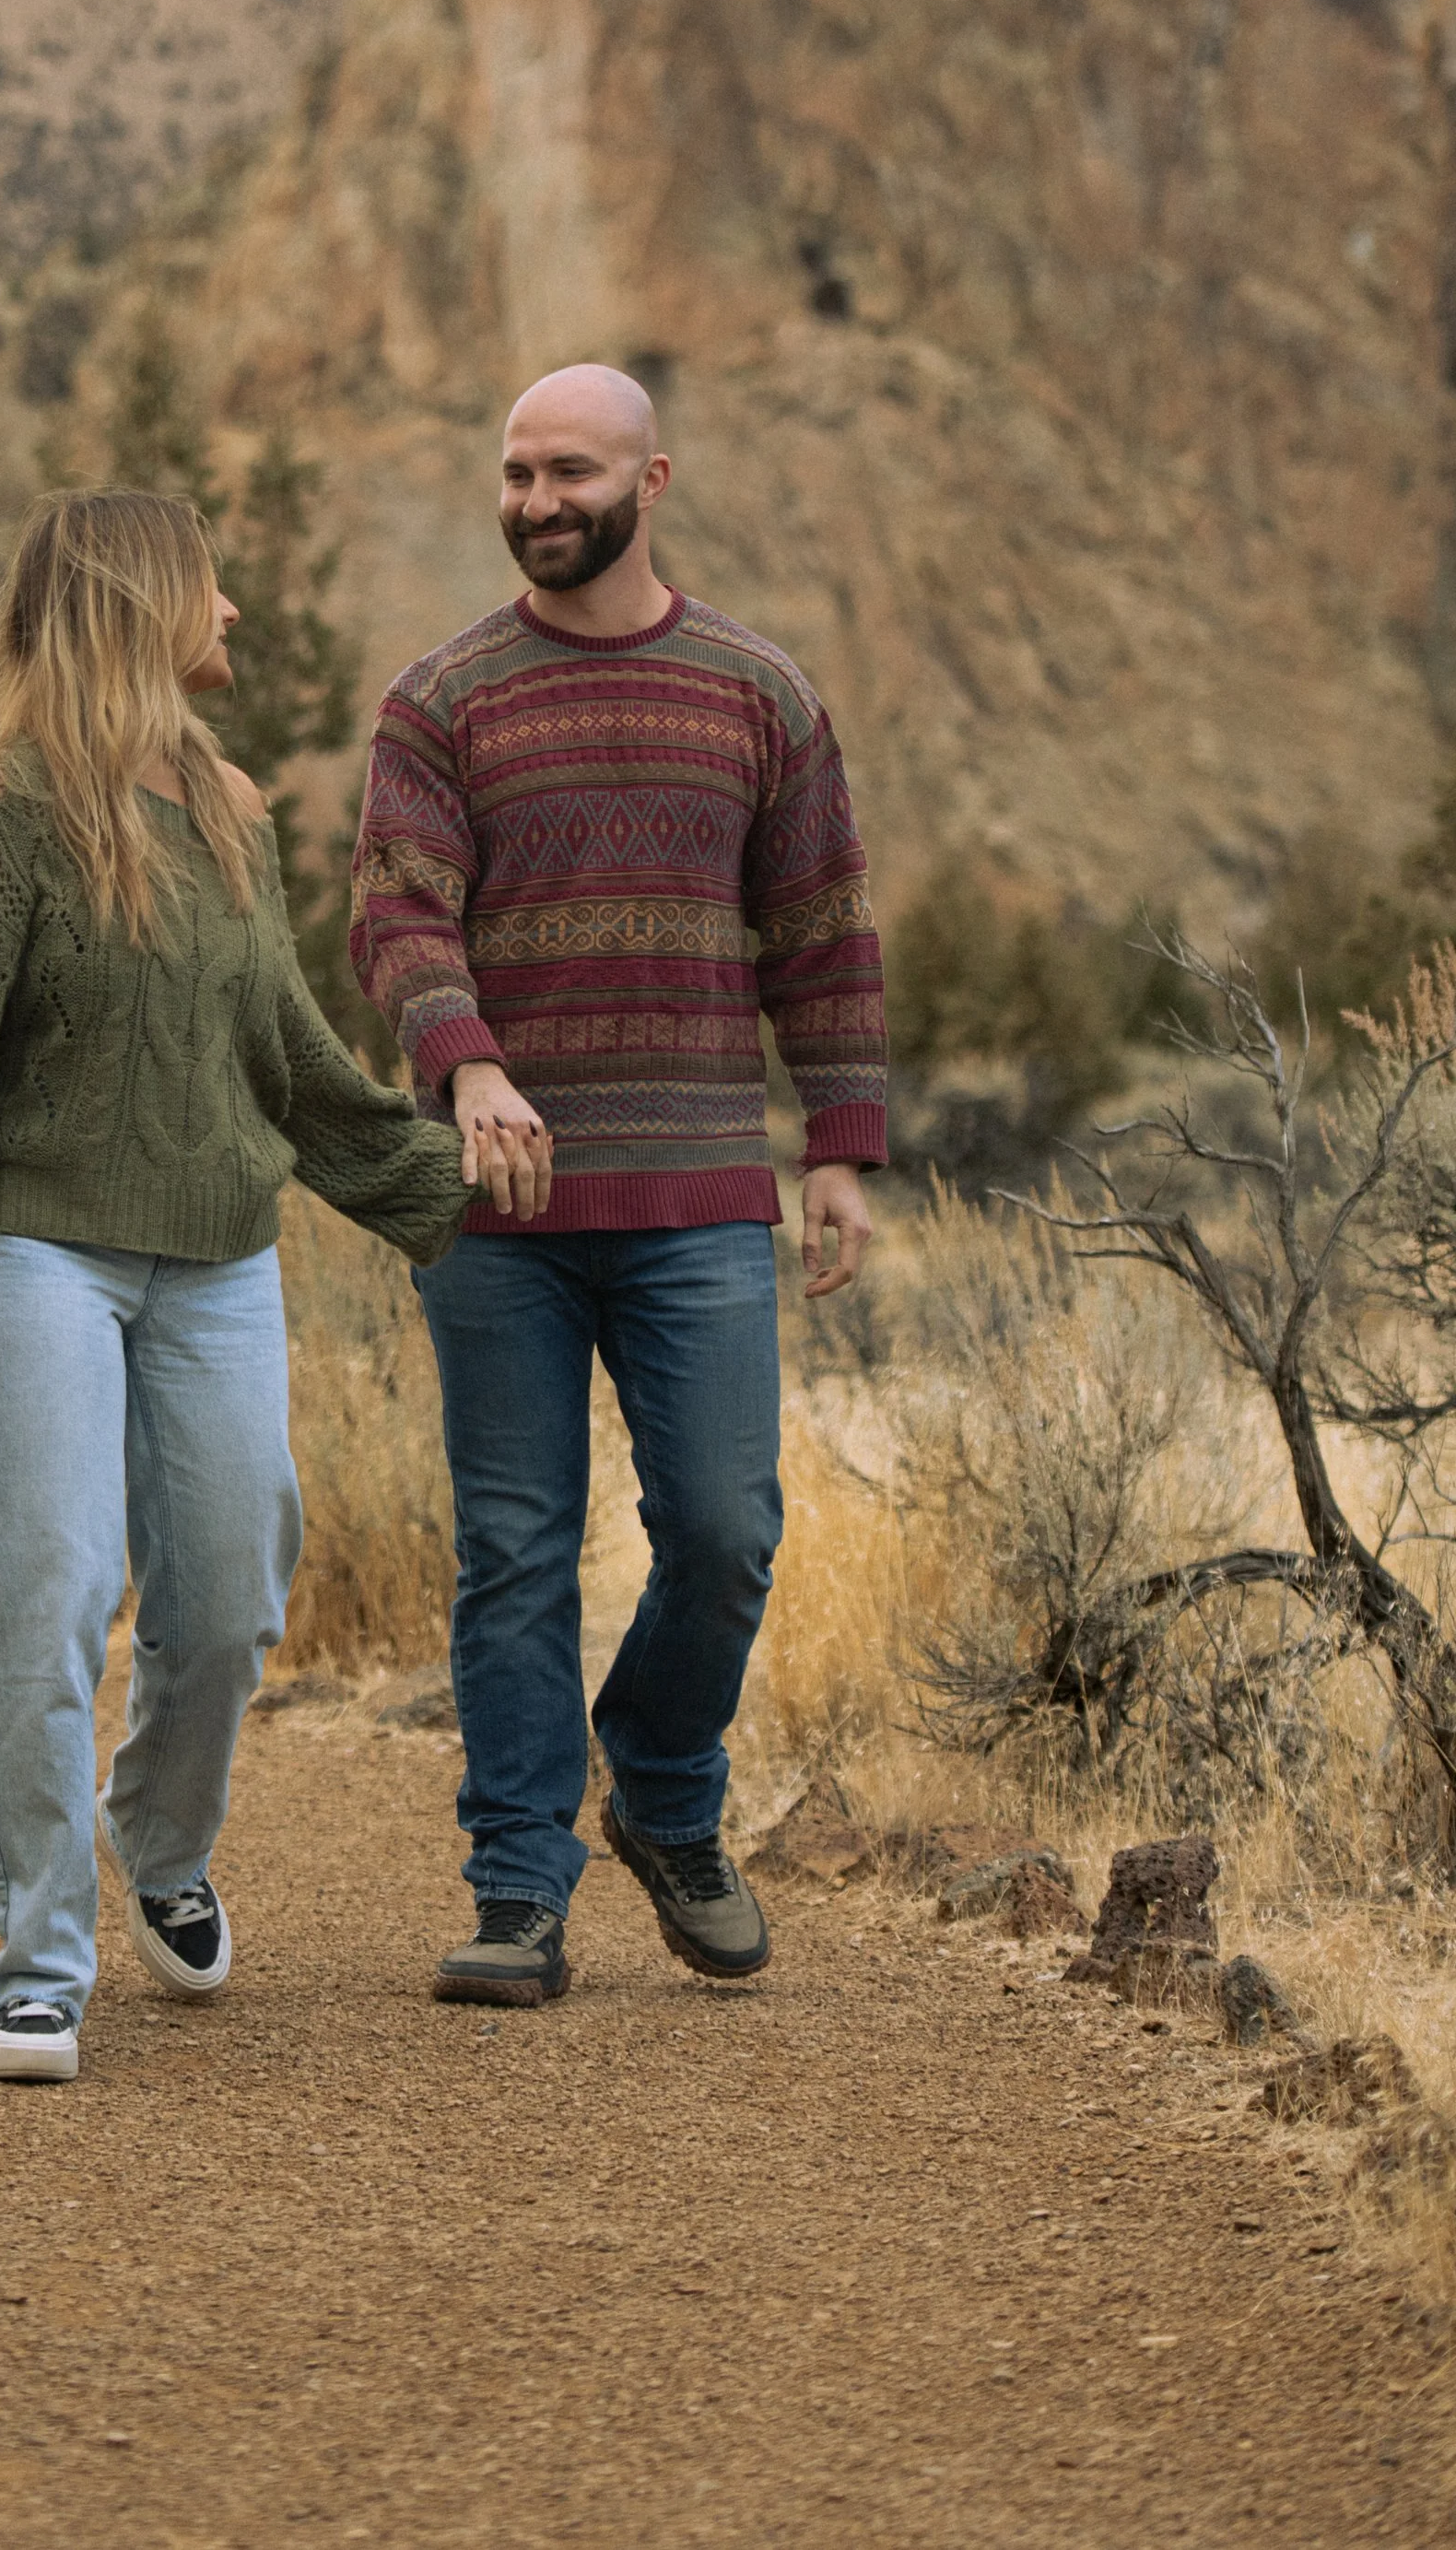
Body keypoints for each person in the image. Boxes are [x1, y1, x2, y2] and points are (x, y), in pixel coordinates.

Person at [0, 489, 496, 2083]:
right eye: (212, 592)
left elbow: (273, 1042)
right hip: (34, 1244)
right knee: (51, 1585)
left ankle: (157, 1830)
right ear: (138, 608)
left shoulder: (228, 809)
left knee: (231, 1582)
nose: (237, 619)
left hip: (216, 1251)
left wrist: (430, 1178)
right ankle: (41, 1955)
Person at [348, 366, 887, 2007]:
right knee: (515, 1547)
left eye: (566, 470)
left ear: (652, 478)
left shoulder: (758, 691)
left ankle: (661, 1789)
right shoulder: (441, 700)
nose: (532, 500)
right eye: (514, 472)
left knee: (725, 1530)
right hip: (497, 1213)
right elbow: (395, 918)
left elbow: (824, 934)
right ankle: (518, 1885)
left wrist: (843, 1150)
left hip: (699, 1197)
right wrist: (471, 1064)